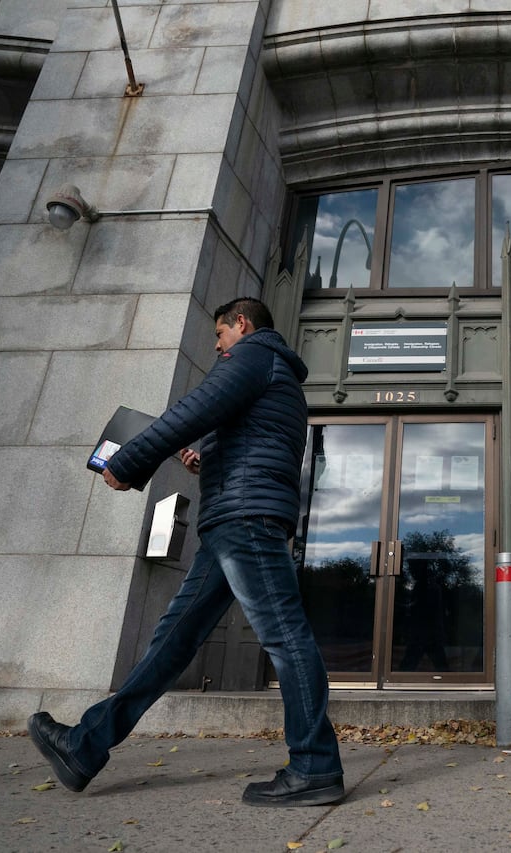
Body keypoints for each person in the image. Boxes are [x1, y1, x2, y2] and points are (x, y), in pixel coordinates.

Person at [27, 297, 344, 807]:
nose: (216, 345)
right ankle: (85, 747)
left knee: (286, 638)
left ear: (241, 323)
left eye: (219, 333)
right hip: (232, 521)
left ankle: (316, 767)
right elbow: (254, 439)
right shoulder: (271, 374)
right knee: (171, 642)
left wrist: (129, 462)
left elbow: (191, 411)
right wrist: (208, 455)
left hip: (245, 521)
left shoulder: (255, 356)